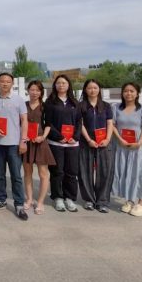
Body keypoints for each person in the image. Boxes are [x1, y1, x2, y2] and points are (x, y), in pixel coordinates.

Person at [0, 72, 29, 221]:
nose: (5, 83)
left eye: (8, 81)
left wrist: (23, 141)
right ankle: (1, 200)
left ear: (12, 84)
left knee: (16, 176)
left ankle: (19, 204)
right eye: (2, 81)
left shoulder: (19, 100)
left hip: (14, 144)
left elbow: (24, 121)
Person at [111, 82, 142, 217]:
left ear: (137, 93)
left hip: (137, 148)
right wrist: (120, 140)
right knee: (125, 173)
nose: (128, 93)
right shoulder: (116, 108)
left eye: (132, 91)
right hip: (122, 147)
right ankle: (129, 200)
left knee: (140, 174)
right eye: (126, 91)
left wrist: (139, 143)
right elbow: (112, 125)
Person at [45, 74, 82, 212]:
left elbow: (79, 122)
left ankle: (69, 198)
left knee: (71, 172)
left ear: (68, 85)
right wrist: (58, 136)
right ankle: (58, 197)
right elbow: (48, 122)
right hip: (56, 143)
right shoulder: (50, 102)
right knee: (57, 171)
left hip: (72, 144)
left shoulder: (74, 102)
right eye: (58, 83)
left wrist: (75, 137)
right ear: (55, 85)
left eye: (64, 83)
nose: (61, 85)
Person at [78, 79, 114, 213]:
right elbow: (80, 124)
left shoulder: (106, 106)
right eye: (89, 88)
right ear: (85, 90)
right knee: (85, 171)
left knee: (105, 171)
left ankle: (102, 201)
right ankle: (89, 200)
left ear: (99, 90)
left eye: (95, 88)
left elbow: (110, 123)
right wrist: (88, 140)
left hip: (104, 142)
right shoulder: (81, 106)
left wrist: (108, 139)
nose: (92, 90)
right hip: (86, 142)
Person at [21, 80, 56, 215]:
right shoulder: (23, 105)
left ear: (41, 92)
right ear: (28, 91)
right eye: (32, 89)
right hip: (27, 142)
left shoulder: (45, 106)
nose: (34, 92)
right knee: (27, 172)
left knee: (43, 173)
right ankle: (29, 199)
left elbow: (48, 124)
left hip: (40, 141)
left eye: (37, 90)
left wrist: (43, 137)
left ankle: (40, 202)